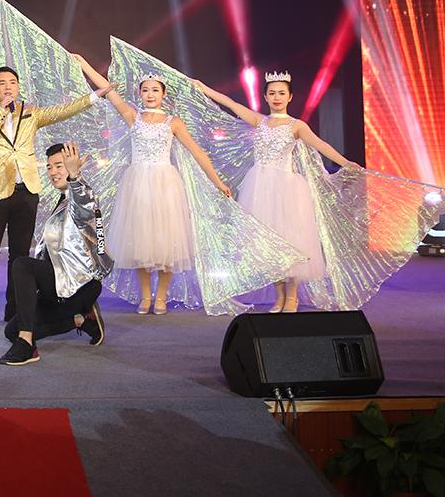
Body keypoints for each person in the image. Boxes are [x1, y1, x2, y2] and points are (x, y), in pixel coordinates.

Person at [75, 56, 231, 314]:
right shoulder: (132, 116)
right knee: (140, 242)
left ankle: (161, 297)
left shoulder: (174, 122)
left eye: (155, 90)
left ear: (163, 94)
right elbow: (108, 90)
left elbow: (197, 152)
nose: (150, 94)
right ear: (140, 93)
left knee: (166, 242)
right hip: (138, 185)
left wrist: (217, 182)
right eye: (145, 90)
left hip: (165, 185)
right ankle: (146, 296)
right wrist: (84, 64)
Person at [195, 72, 358, 312]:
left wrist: (345, 163)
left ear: (290, 97)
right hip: (260, 189)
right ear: (265, 97)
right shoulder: (259, 121)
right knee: (268, 243)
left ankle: (292, 297)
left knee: (290, 240)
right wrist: (204, 88)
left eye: (281, 93)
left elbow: (320, 145)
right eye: (272, 93)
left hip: (287, 190)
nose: (277, 97)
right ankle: (279, 296)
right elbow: (231, 104)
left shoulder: (296, 125)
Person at [0, 66, 111, 328]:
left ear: (18, 86)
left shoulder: (30, 112)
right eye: (2, 83)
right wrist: (0, 112)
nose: (8, 87)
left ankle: (13, 309)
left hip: (26, 191)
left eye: (12, 82)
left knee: (20, 253)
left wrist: (94, 96)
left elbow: (61, 111)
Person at [0, 142, 113, 366]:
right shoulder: (62, 199)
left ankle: (27, 344)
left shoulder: (85, 197)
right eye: (49, 167)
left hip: (80, 287)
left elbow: (84, 207)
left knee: (22, 264)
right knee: (11, 330)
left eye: (59, 166)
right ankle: (81, 320)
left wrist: (75, 176)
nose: (53, 172)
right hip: (58, 286)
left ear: (73, 165)